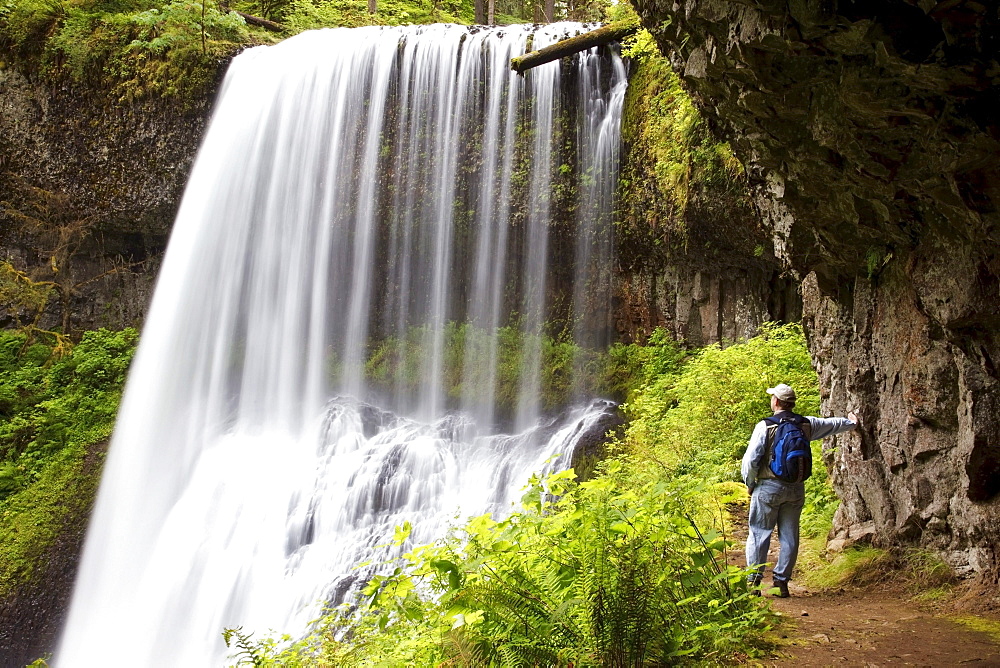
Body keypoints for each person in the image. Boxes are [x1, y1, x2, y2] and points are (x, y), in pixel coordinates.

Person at [741, 383, 858, 598]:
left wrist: (750, 484)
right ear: (791, 403)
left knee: (759, 533)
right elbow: (831, 425)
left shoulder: (765, 426)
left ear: (776, 402)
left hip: (768, 487)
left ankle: (754, 583)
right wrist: (850, 423)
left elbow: (751, 460)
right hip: (795, 489)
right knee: (789, 536)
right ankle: (781, 583)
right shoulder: (805, 424)